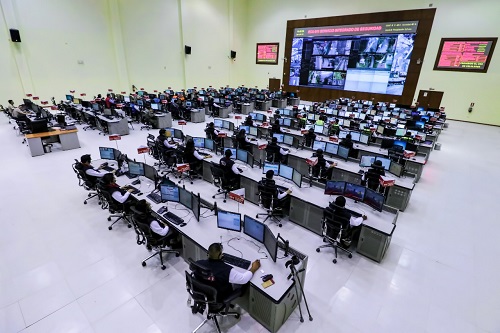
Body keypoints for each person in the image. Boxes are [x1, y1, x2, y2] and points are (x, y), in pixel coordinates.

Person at [196, 243, 261, 302]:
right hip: (219, 296)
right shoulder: (226, 270)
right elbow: (243, 279)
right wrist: (253, 268)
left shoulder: (198, 263)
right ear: (220, 255)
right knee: (242, 282)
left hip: (202, 292)